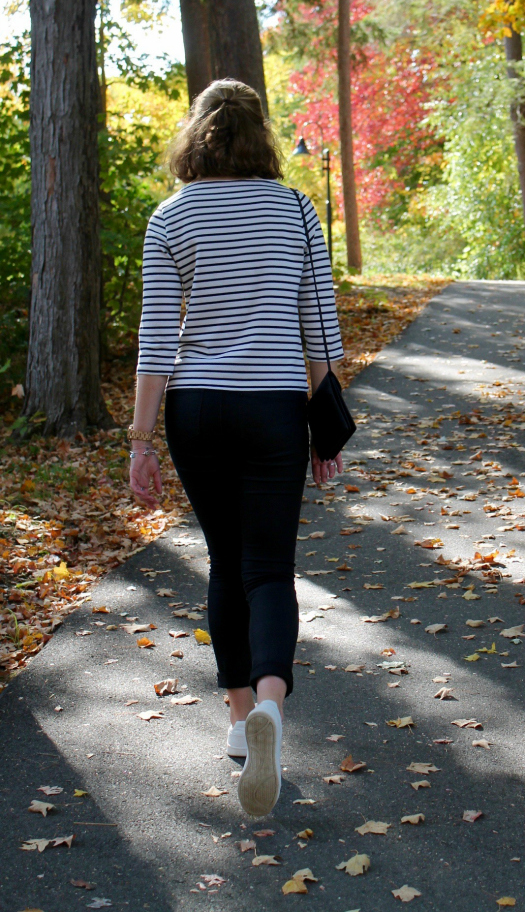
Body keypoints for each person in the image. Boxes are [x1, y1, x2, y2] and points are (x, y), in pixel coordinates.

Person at [128, 79, 344, 817]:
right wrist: (326, 427)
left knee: (224, 562)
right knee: (269, 570)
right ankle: (272, 711)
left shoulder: (171, 217)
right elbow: (320, 329)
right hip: (274, 409)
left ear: (195, 134)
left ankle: (234, 719)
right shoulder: (294, 208)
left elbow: (157, 339)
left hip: (198, 412)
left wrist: (139, 440)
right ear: (261, 136)